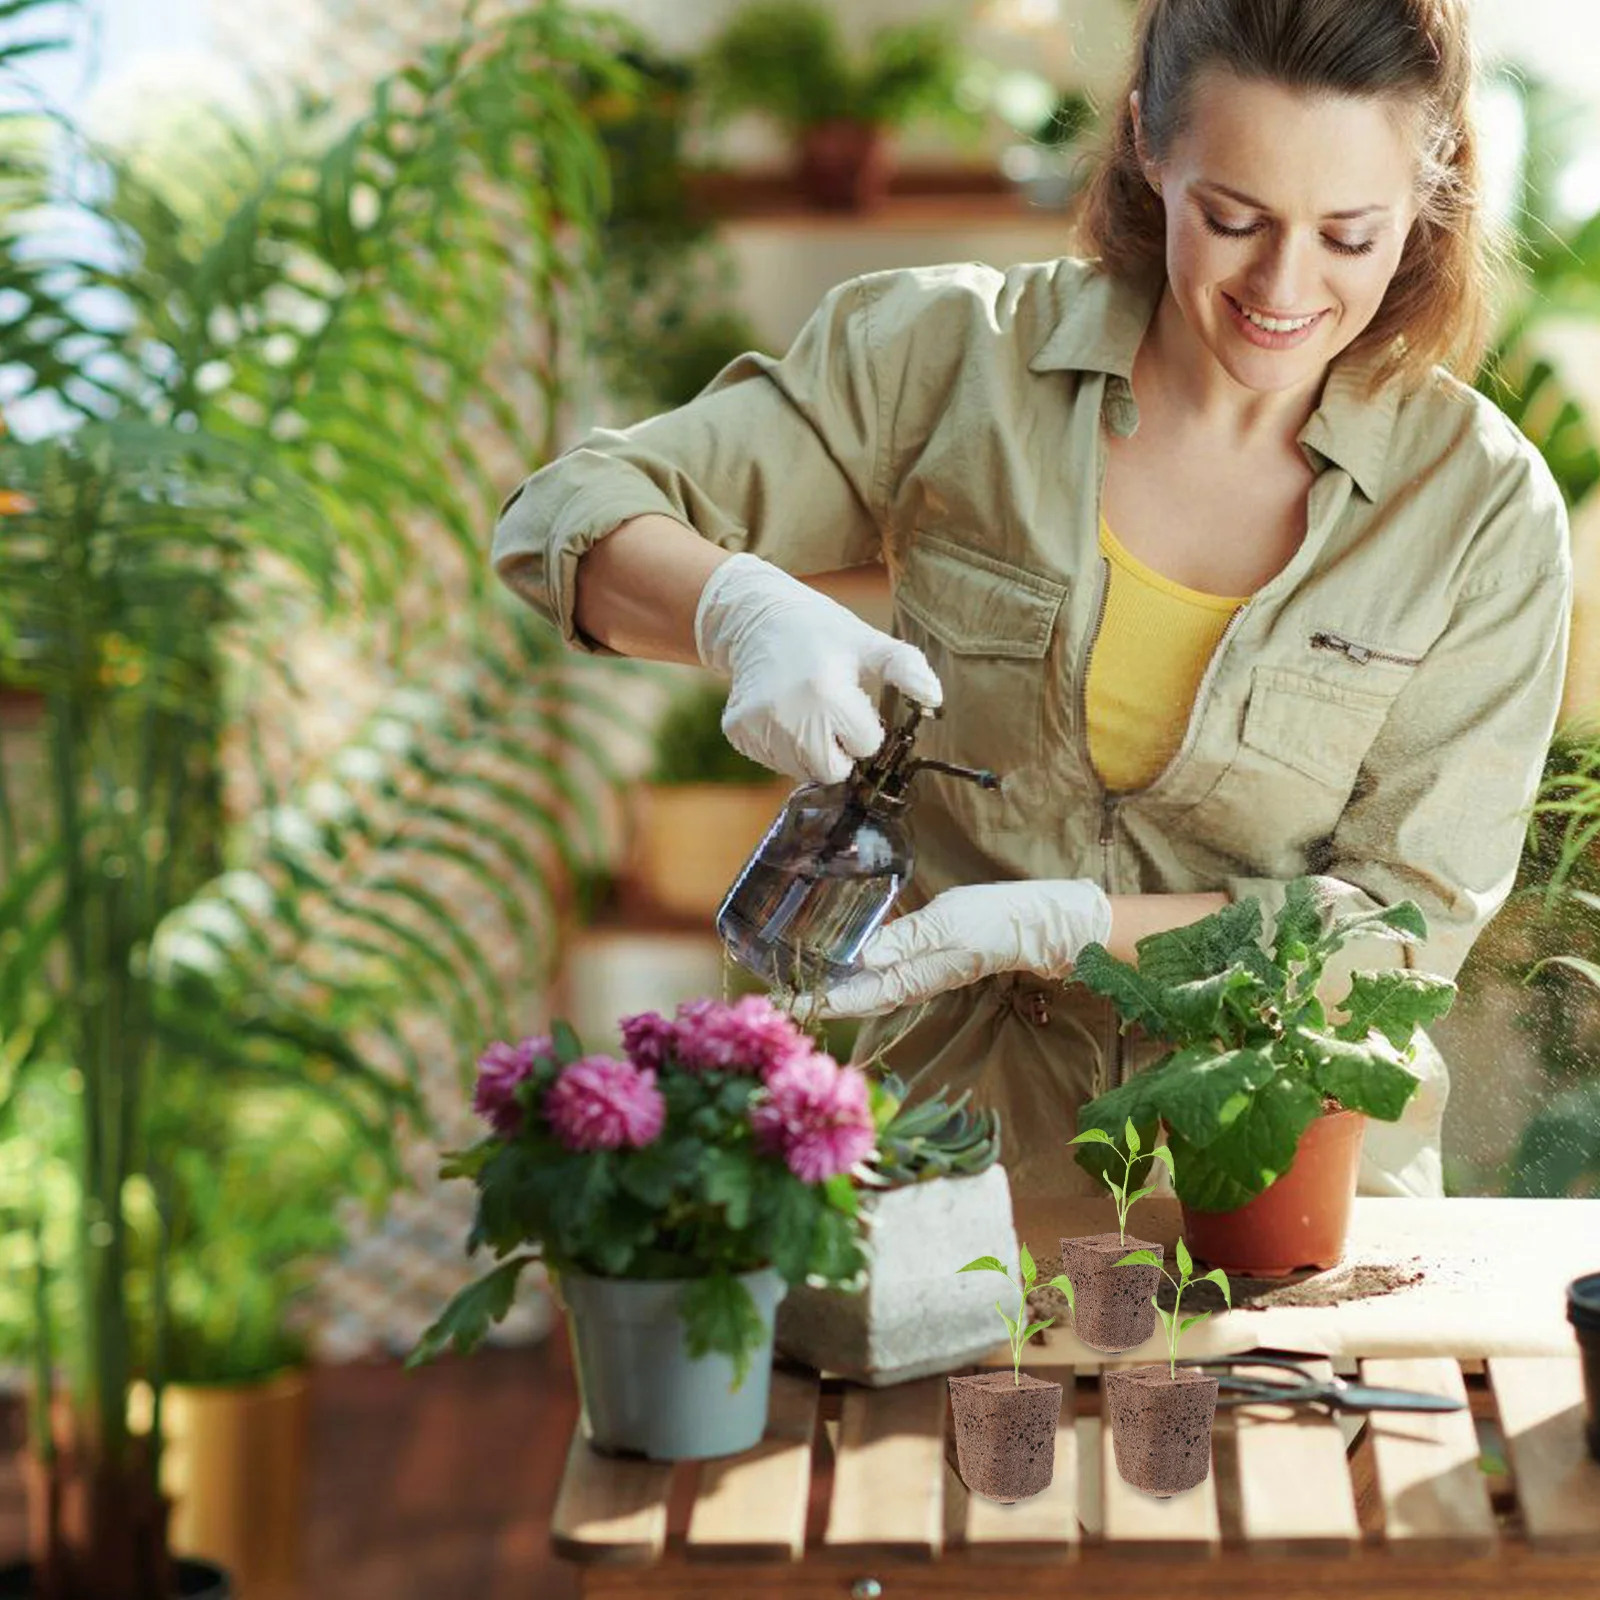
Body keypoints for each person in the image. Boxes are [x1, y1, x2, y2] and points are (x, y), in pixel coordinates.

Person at [490, 0, 1573, 1201]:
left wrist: (1064, 927)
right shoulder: (944, 362)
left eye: (1349, 236)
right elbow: (563, 515)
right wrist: (736, 607)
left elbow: (1400, 934)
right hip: (948, 1172)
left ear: (1428, 198)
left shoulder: (1474, 512)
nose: (1284, 284)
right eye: (1233, 217)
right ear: (1148, 148)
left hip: (1282, 1207)